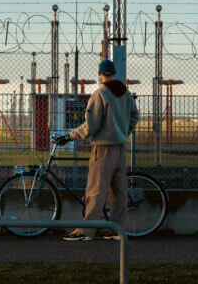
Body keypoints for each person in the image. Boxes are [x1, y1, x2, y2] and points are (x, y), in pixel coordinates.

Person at [57, 59, 139, 241]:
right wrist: (125, 131)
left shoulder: (100, 94)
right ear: (114, 73)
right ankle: (117, 230)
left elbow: (90, 126)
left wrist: (70, 136)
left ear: (99, 74)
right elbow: (135, 115)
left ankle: (86, 231)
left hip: (102, 149)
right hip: (120, 148)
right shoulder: (125, 93)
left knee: (95, 191)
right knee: (119, 193)